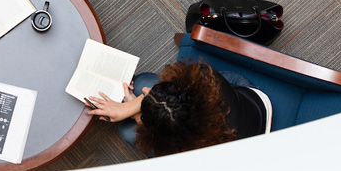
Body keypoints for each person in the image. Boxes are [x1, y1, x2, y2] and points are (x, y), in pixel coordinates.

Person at [86, 61, 272, 157]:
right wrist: (128, 107)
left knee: (128, 131)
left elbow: (164, 153)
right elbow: (170, 88)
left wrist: (134, 113)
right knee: (142, 81)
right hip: (251, 102)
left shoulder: (188, 155)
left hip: (241, 148)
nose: (145, 91)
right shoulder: (205, 77)